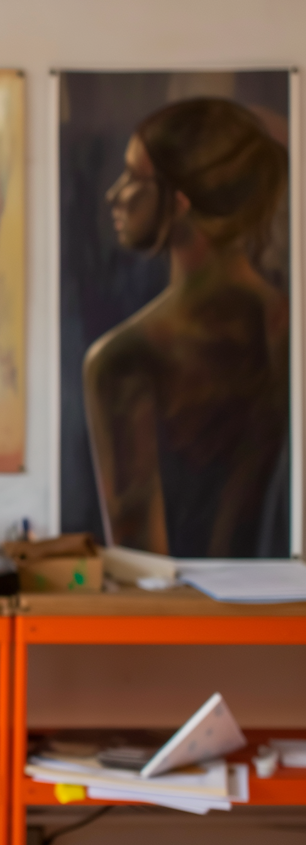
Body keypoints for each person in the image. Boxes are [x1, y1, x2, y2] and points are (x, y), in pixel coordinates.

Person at [85, 97, 289, 557]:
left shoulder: (123, 360)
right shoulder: (289, 328)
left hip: (181, 624)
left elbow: (142, 569)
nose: (114, 194)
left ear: (180, 201)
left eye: (135, 178)